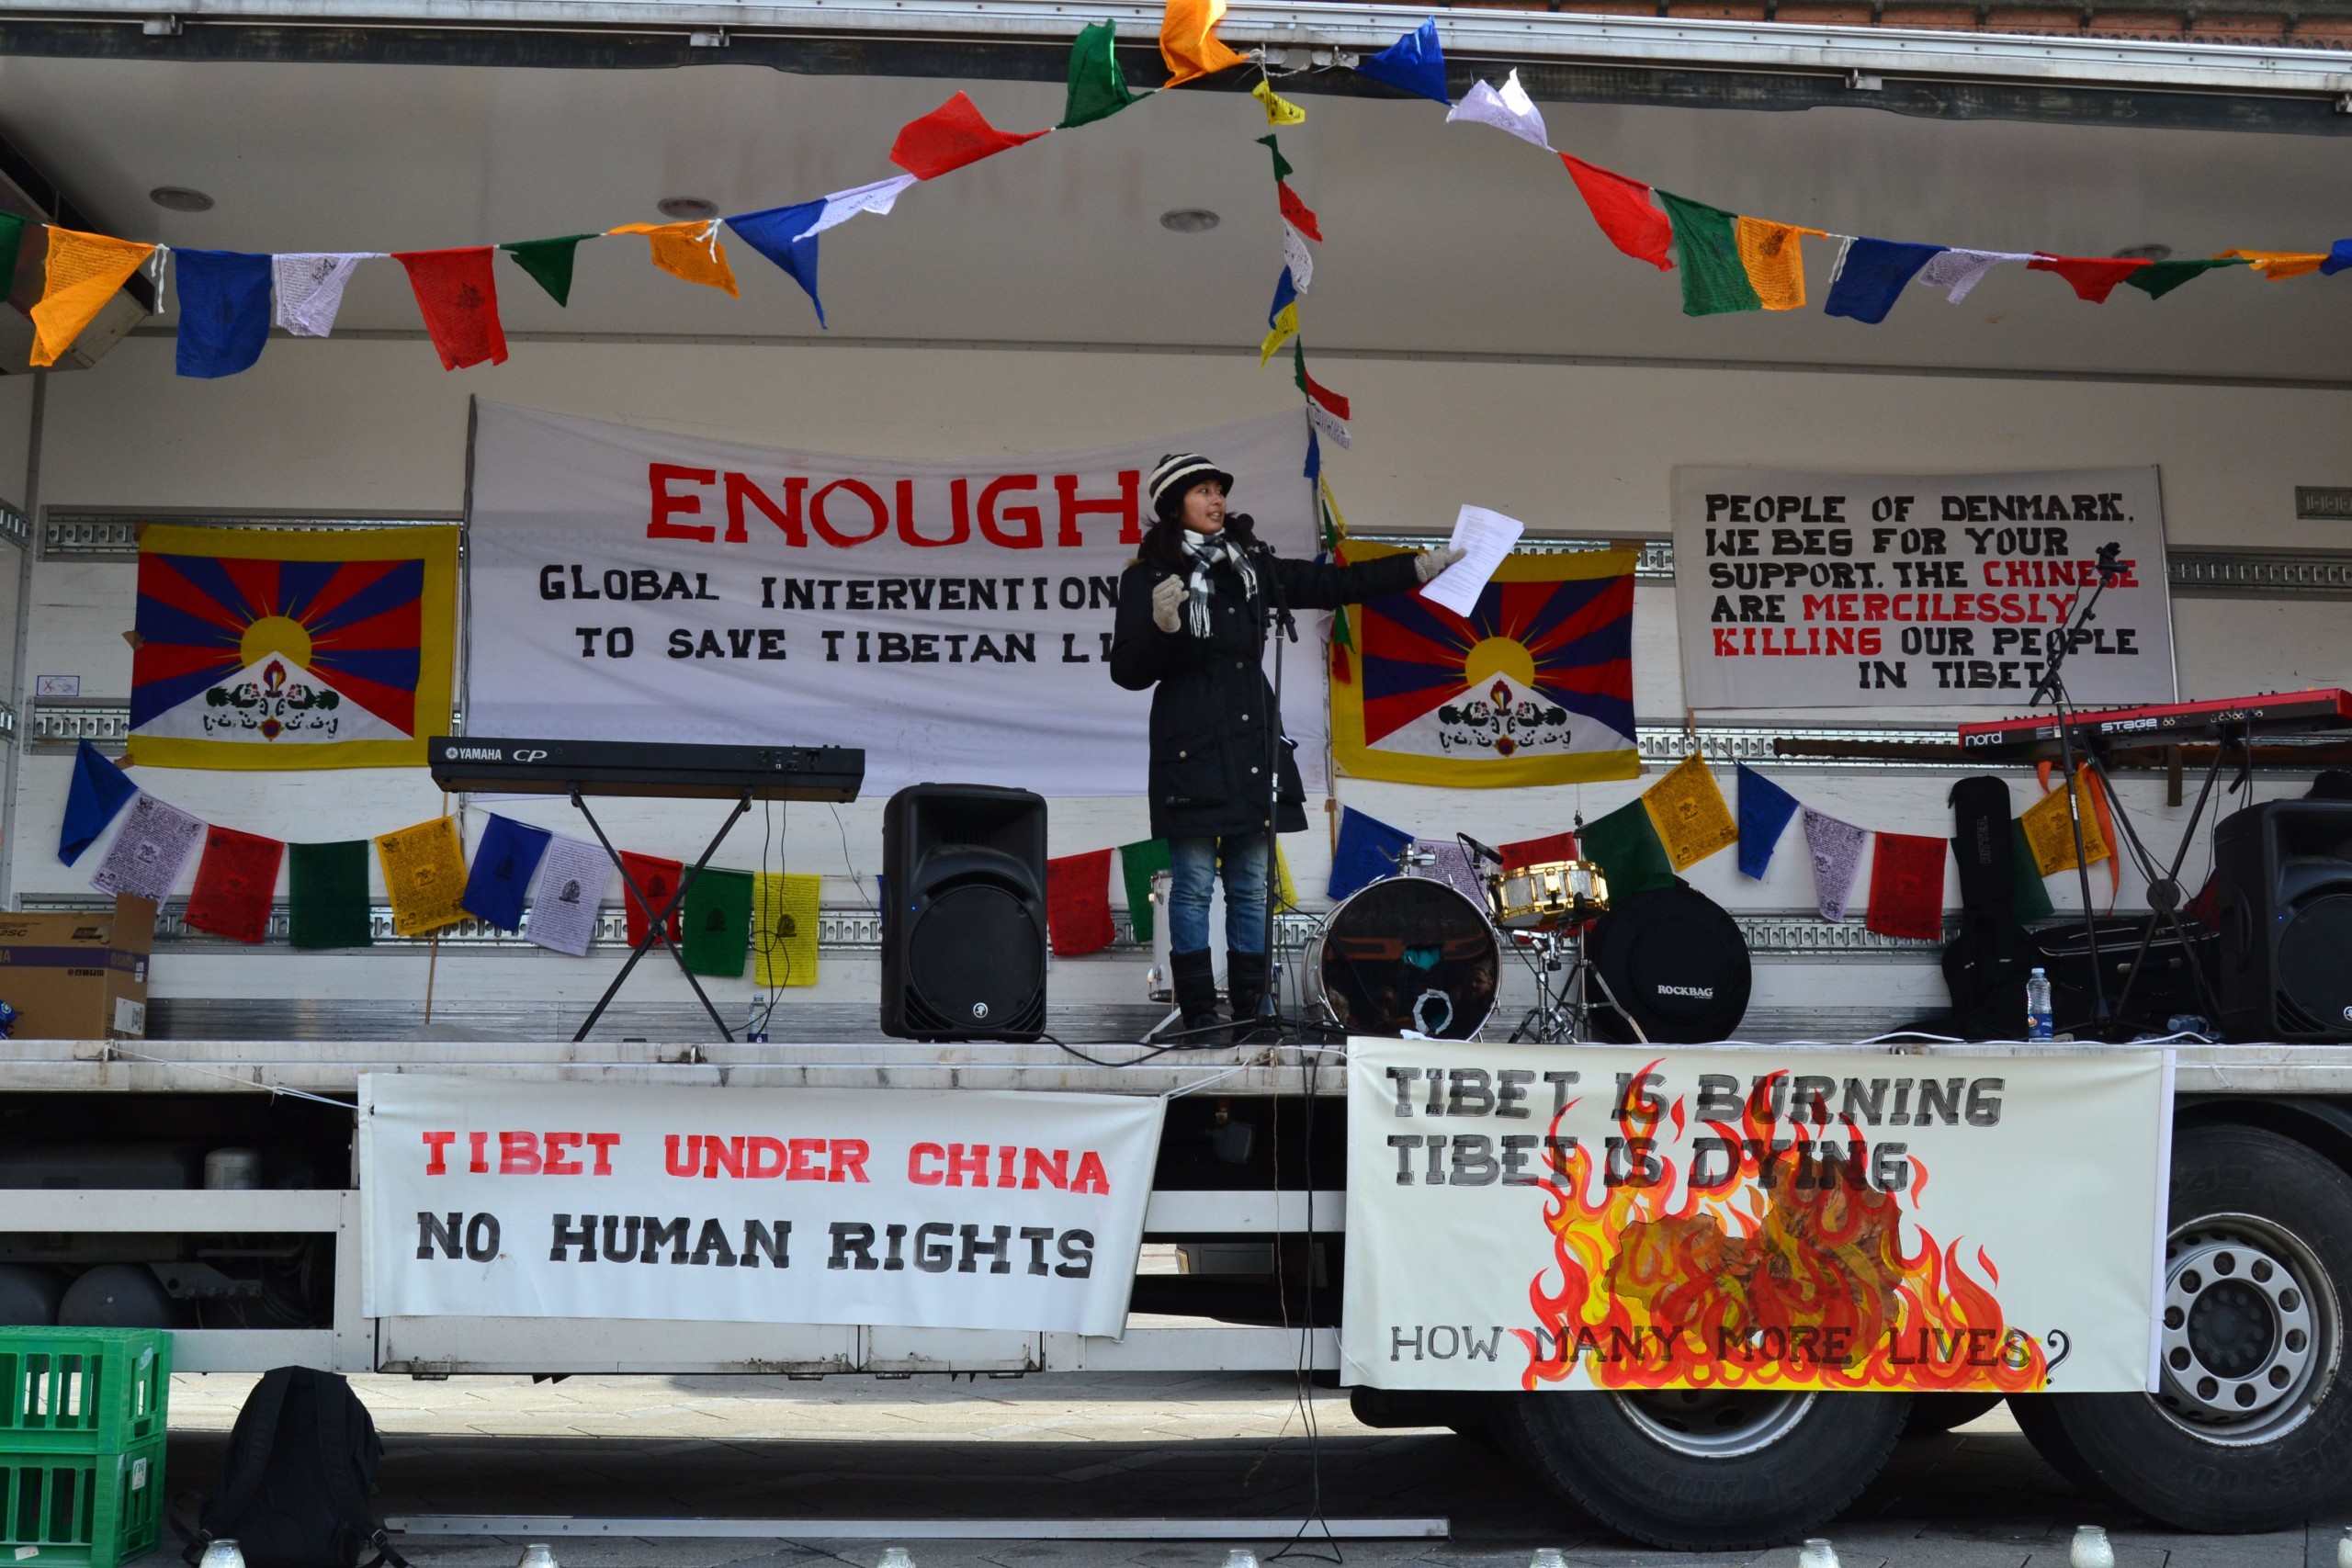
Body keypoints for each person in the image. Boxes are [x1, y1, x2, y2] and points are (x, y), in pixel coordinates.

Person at [1110, 451, 1462, 1042]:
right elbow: (1128, 671)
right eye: (1202, 491)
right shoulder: (1145, 576)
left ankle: (1251, 1013)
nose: (1217, 500)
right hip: (1189, 749)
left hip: (1251, 740)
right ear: (1173, 507)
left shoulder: (1252, 564)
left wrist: (1418, 567)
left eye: (1219, 490)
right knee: (1193, 886)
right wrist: (1162, 628)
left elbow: (1334, 583)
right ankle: (1200, 1015)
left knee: (1251, 884)